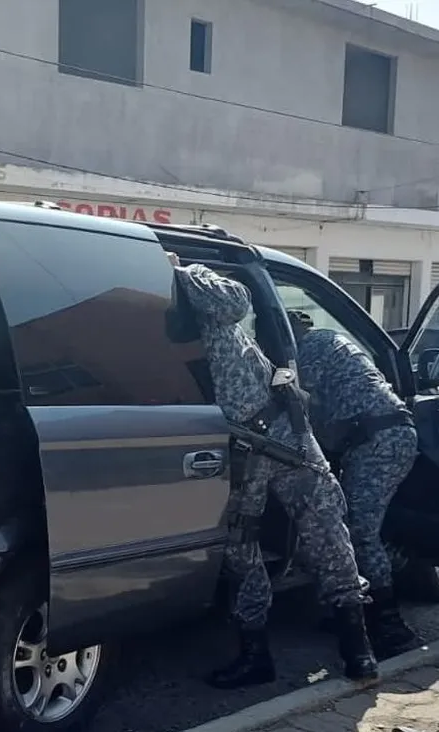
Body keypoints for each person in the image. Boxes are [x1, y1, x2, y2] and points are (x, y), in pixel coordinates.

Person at [168, 256, 379, 690]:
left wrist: (181, 269)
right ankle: (254, 654)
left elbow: (236, 300)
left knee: (325, 528)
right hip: (237, 449)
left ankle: (358, 649)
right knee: (241, 549)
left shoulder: (200, 290)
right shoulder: (137, 314)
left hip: (283, 434)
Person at [288, 311, 421, 661]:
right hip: (381, 436)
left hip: (379, 441)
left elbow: (299, 400)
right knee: (349, 525)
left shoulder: (311, 347)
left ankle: (390, 627)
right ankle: (356, 610)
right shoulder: (333, 342)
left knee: (361, 532)